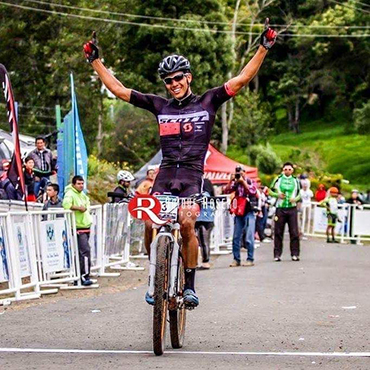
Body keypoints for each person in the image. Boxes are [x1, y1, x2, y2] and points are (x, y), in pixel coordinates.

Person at [83, 22, 277, 307]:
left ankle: (189, 286)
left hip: (191, 176)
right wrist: (95, 61)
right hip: (164, 176)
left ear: (188, 78)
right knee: (151, 224)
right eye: (168, 81)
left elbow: (242, 79)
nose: (173, 84)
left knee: (187, 224)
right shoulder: (159, 106)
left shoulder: (208, 101)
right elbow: (120, 90)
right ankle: (155, 278)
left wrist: (264, 47)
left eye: (178, 79)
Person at [224, 166, 258, 267]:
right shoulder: (235, 183)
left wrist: (243, 182)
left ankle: (250, 258)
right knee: (236, 237)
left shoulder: (250, 181)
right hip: (239, 212)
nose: (239, 174)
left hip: (249, 211)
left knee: (249, 236)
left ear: (245, 172)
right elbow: (226, 191)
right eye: (237, 172)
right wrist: (231, 181)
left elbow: (253, 191)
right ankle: (236, 259)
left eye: (241, 172)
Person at [62, 176, 93, 286]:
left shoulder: (83, 195)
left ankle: (80, 276)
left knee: (82, 253)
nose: (81, 186)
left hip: (85, 225)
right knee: (85, 251)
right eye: (79, 184)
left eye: (82, 183)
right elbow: (66, 205)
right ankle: (84, 276)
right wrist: (78, 208)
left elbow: (87, 206)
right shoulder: (70, 194)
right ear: (74, 184)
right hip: (77, 227)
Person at [269, 162, 301, 261]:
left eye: (289, 169)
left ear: (292, 170)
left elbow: (299, 194)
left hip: (292, 208)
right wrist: (277, 195)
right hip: (280, 208)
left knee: (294, 232)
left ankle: (295, 254)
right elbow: (269, 191)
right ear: (283, 170)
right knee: (278, 231)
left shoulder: (296, 180)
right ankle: (277, 254)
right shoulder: (278, 179)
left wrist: (295, 199)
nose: (287, 171)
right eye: (285, 169)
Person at [195, 178, 215, 270]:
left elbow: (199, 200)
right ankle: (205, 261)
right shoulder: (211, 196)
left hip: (202, 220)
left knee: (203, 241)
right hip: (208, 220)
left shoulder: (204, 195)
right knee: (205, 241)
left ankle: (205, 261)